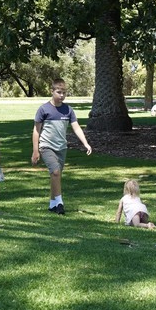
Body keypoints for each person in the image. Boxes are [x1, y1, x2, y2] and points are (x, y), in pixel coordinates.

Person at [32, 78, 93, 214]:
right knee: (55, 172)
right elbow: (36, 130)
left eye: (64, 93)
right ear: (52, 91)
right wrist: (35, 151)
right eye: (59, 92)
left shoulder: (68, 110)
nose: (62, 95)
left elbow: (76, 128)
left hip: (61, 148)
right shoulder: (44, 109)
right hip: (46, 146)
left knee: (56, 176)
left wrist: (85, 143)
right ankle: (59, 203)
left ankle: (52, 204)